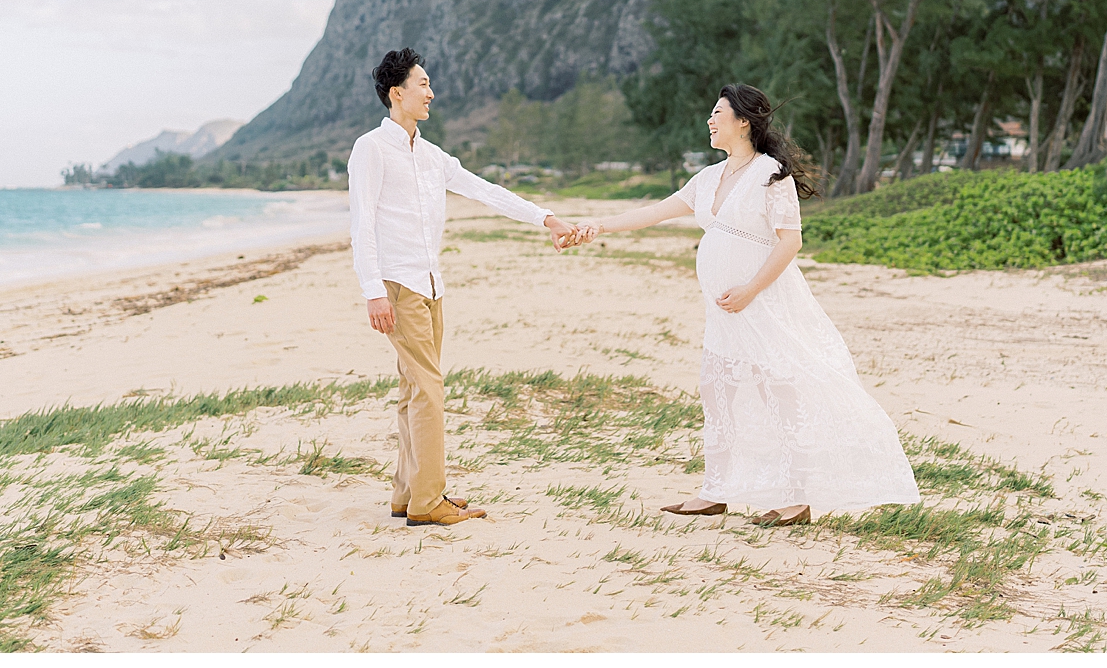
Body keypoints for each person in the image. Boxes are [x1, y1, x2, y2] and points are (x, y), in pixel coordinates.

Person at [572, 84, 919, 525]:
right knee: (717, 392)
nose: (710, 120)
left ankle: (797, 499)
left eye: (718, 113)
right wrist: (597, 225)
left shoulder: (770, 173)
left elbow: (790, 240)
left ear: (744, 121)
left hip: (763, 300)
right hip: (723, 309)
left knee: (780, 390)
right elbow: (653, 212)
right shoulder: (709, 177)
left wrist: (752, 288)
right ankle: (715, 490)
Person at [348, 48, 580, 527]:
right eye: (423, 84)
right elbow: (362, 223)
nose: (431, 93)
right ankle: (429, 501)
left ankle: (407, 494)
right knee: (430, 389)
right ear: (397, 93)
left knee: (415, 389)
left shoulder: (433, 156)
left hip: (432, 286)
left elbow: (486, 190)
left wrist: (546, 218)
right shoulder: (371, 148)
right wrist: (373, 289)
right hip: (398, 285)